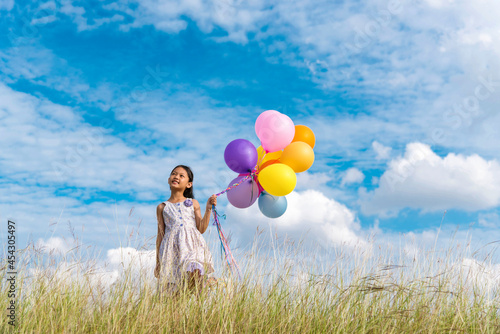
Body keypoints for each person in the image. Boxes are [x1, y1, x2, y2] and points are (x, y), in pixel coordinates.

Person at [155, 165, 216, 295]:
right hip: (172, 251)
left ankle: (204, 291)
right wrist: (158, 263)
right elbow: (160, 235)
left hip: (192, 247)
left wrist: (208, 208)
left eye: (181, 175)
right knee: (174, 294)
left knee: (195, 271)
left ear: (189, 184)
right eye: (174, 174)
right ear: (168, 179)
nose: (176, 176)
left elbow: (201, 228)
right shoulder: (162, 207)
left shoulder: (193, 203)